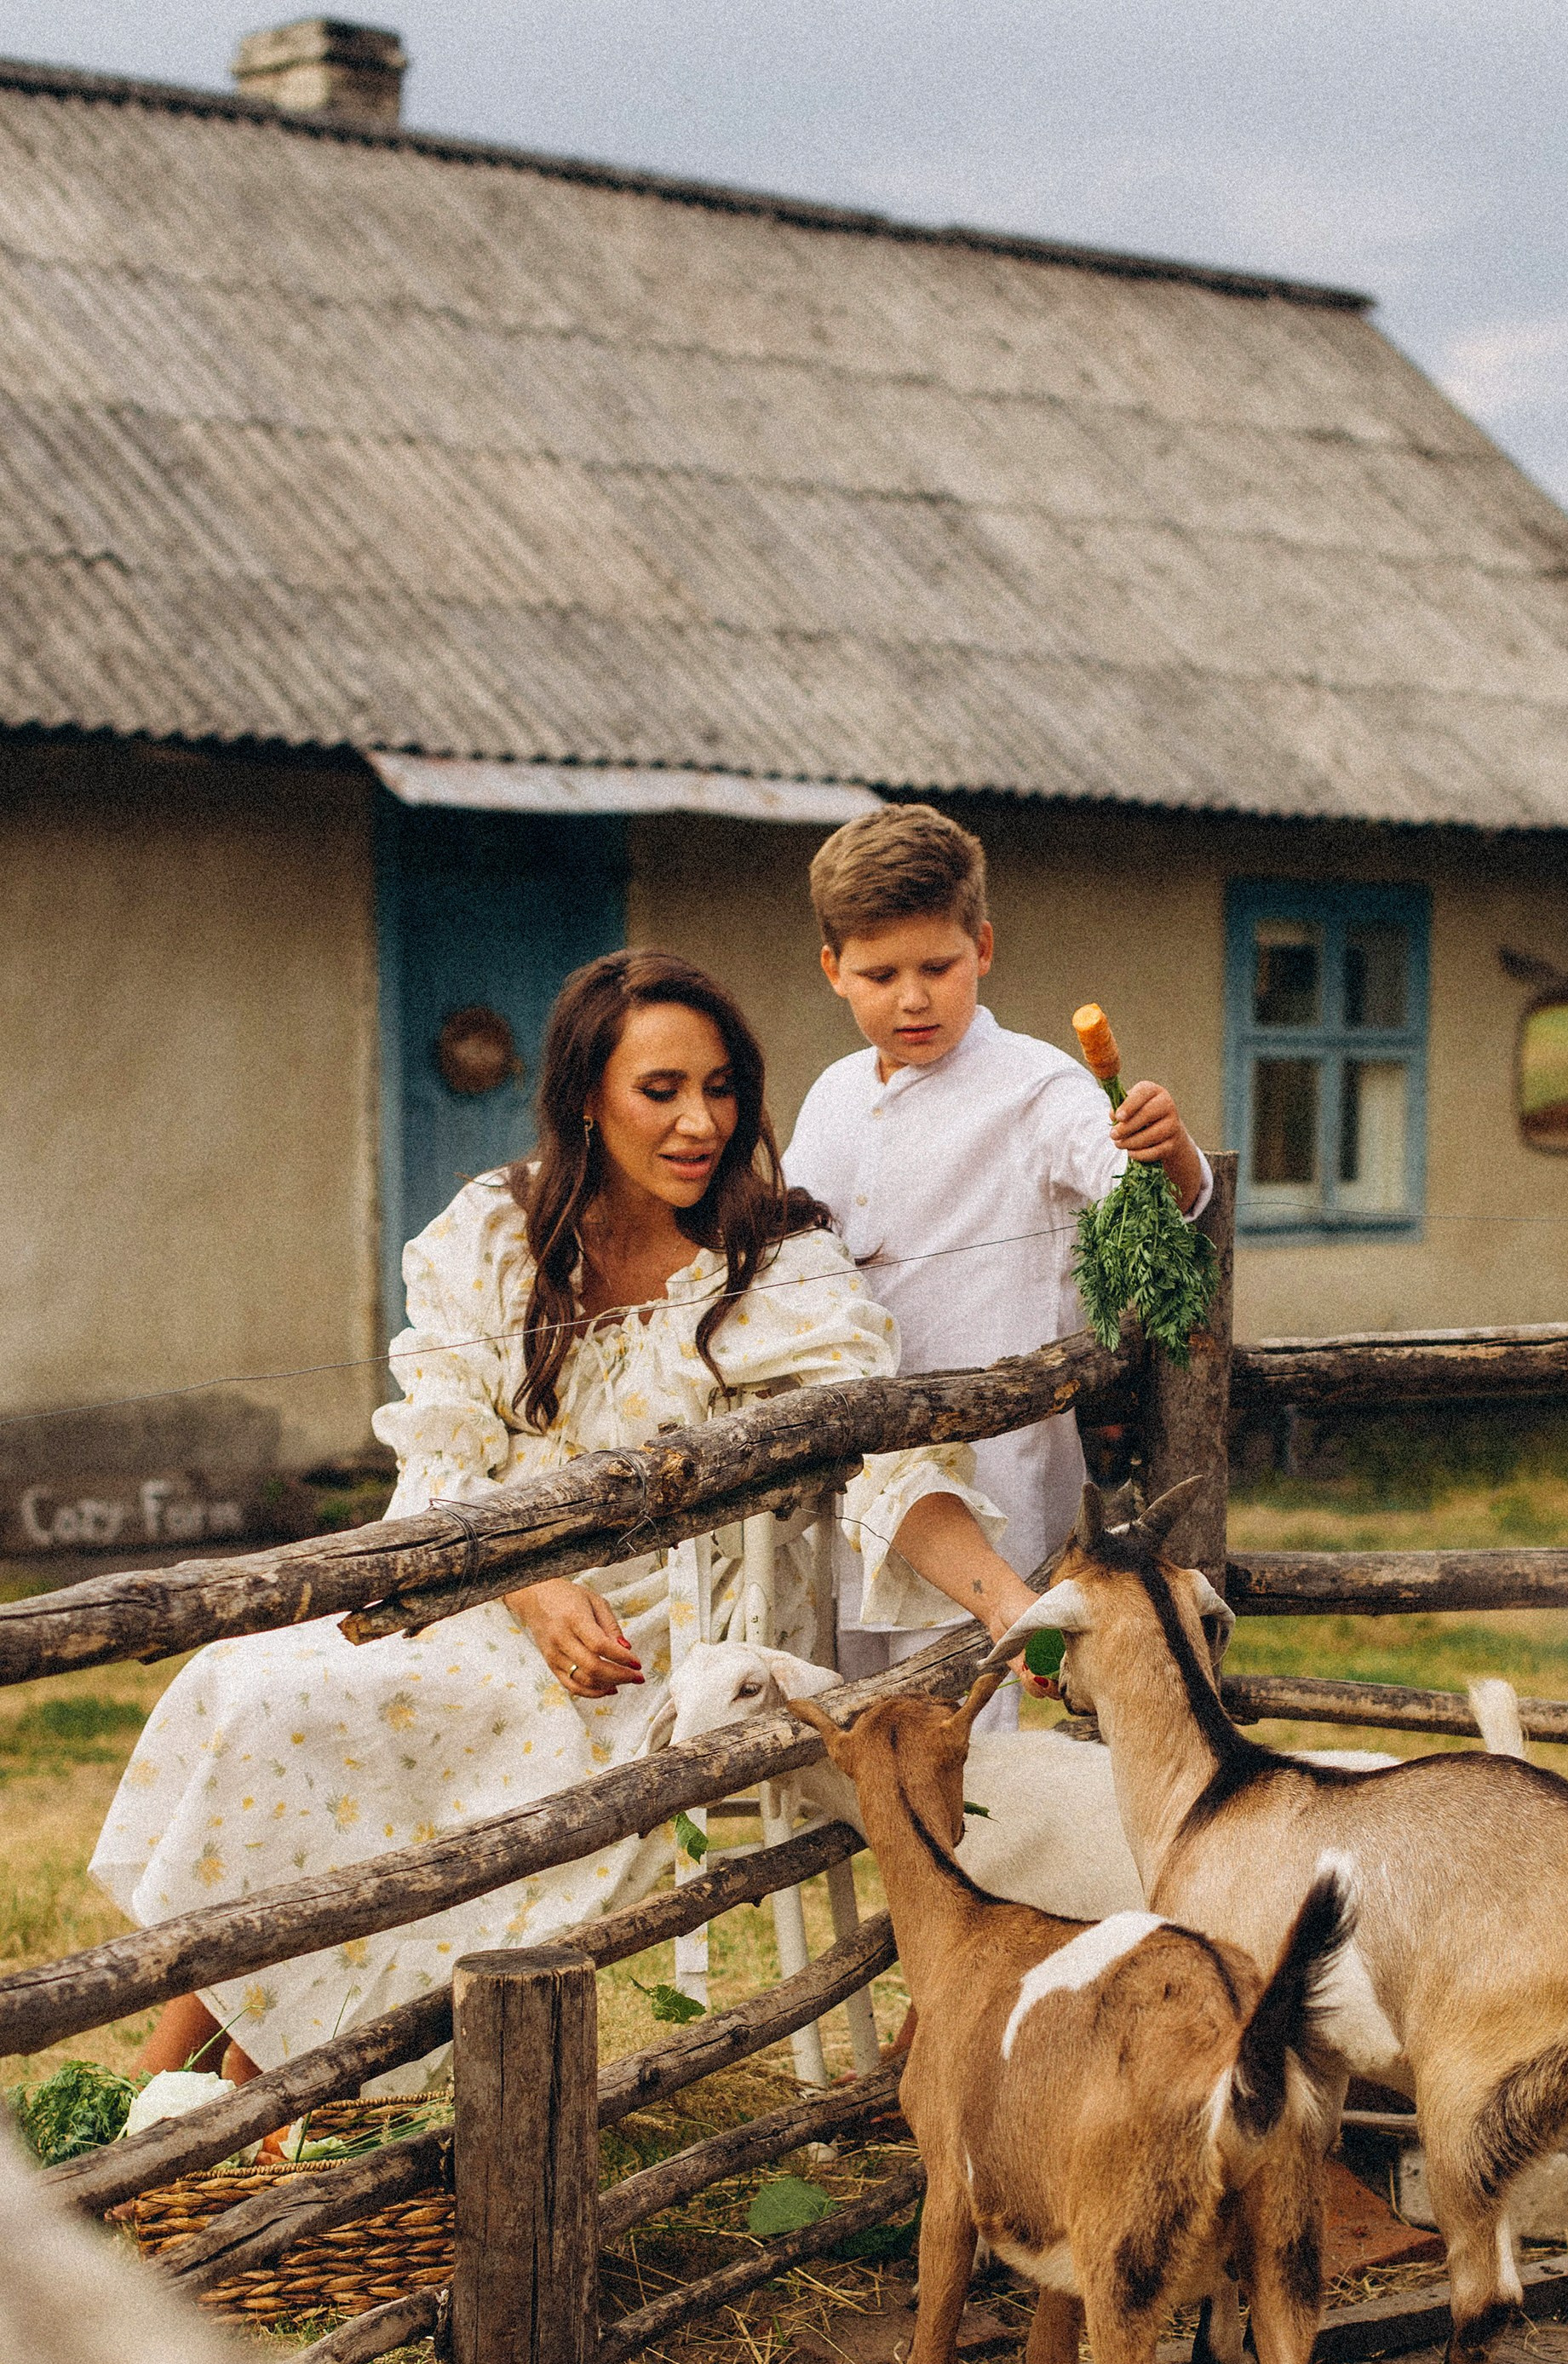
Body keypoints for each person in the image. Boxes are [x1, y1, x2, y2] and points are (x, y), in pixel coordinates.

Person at [95, 948, 1034, 2089]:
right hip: (474, 1593)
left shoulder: (778, 1265)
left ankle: (210, 2105)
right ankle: (206, 2102)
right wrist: (529, 1586)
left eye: (723, 1087)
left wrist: (1011, 1601)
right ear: (586, 1094)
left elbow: (881, 1455)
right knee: (255, 1684)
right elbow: (440, 1457)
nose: (700, 1121)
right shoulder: (494, 1233)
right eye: (663, 1090)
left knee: (330, 1718)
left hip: (648, 1650)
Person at [784, 804, 1211, 1703]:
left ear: (982, 946)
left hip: (991, 1491)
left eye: (937, 967)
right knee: (859, 1737)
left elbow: (1150, 1197)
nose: (913, 997)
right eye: (880, 973)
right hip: (852, 1486)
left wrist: (1163, 1148)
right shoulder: (829, 1096)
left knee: (972, 1747)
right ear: (832, 970)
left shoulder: (1038, 1087)